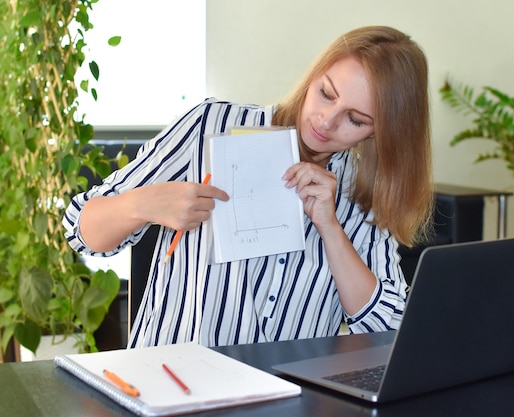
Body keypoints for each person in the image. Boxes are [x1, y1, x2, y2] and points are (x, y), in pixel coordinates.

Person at [63, 25, 433, 348]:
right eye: (326, 93)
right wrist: (141, 205)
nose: (326, 120)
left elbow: (391, 329)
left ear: (380, 131)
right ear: (316, 74)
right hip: (169, 389)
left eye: (354, 118)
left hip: (287, 399)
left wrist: (331, 229)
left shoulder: (363, 194)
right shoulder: (209, 125)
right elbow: (81, 229)